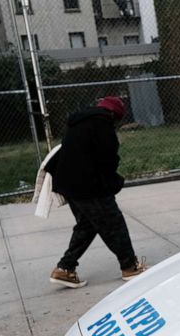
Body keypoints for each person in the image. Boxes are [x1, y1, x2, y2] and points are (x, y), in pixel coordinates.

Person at [46, 96, 146, 288]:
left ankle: (65, 269)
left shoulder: (79, 122)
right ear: (114, 115)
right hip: (89, 186)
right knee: (114, 223)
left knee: (87, 226)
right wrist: (113, 183)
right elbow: (107, 160)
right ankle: (130, 266)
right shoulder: (102, 125)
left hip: (69, 184)